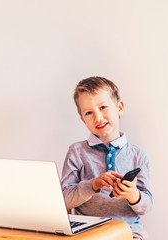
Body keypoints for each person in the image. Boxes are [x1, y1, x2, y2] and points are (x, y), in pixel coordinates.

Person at [61, 76, 152, 239]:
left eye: (103, 107)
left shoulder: (138, 155)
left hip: (129, 232)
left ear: (120, 108)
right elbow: (64, 200)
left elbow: (146, 206)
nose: (98, 117)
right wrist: (93, 184)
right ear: (83, 119)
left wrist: (133, 195)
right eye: (89, 112)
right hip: (87, 232)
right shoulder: (77, 151)